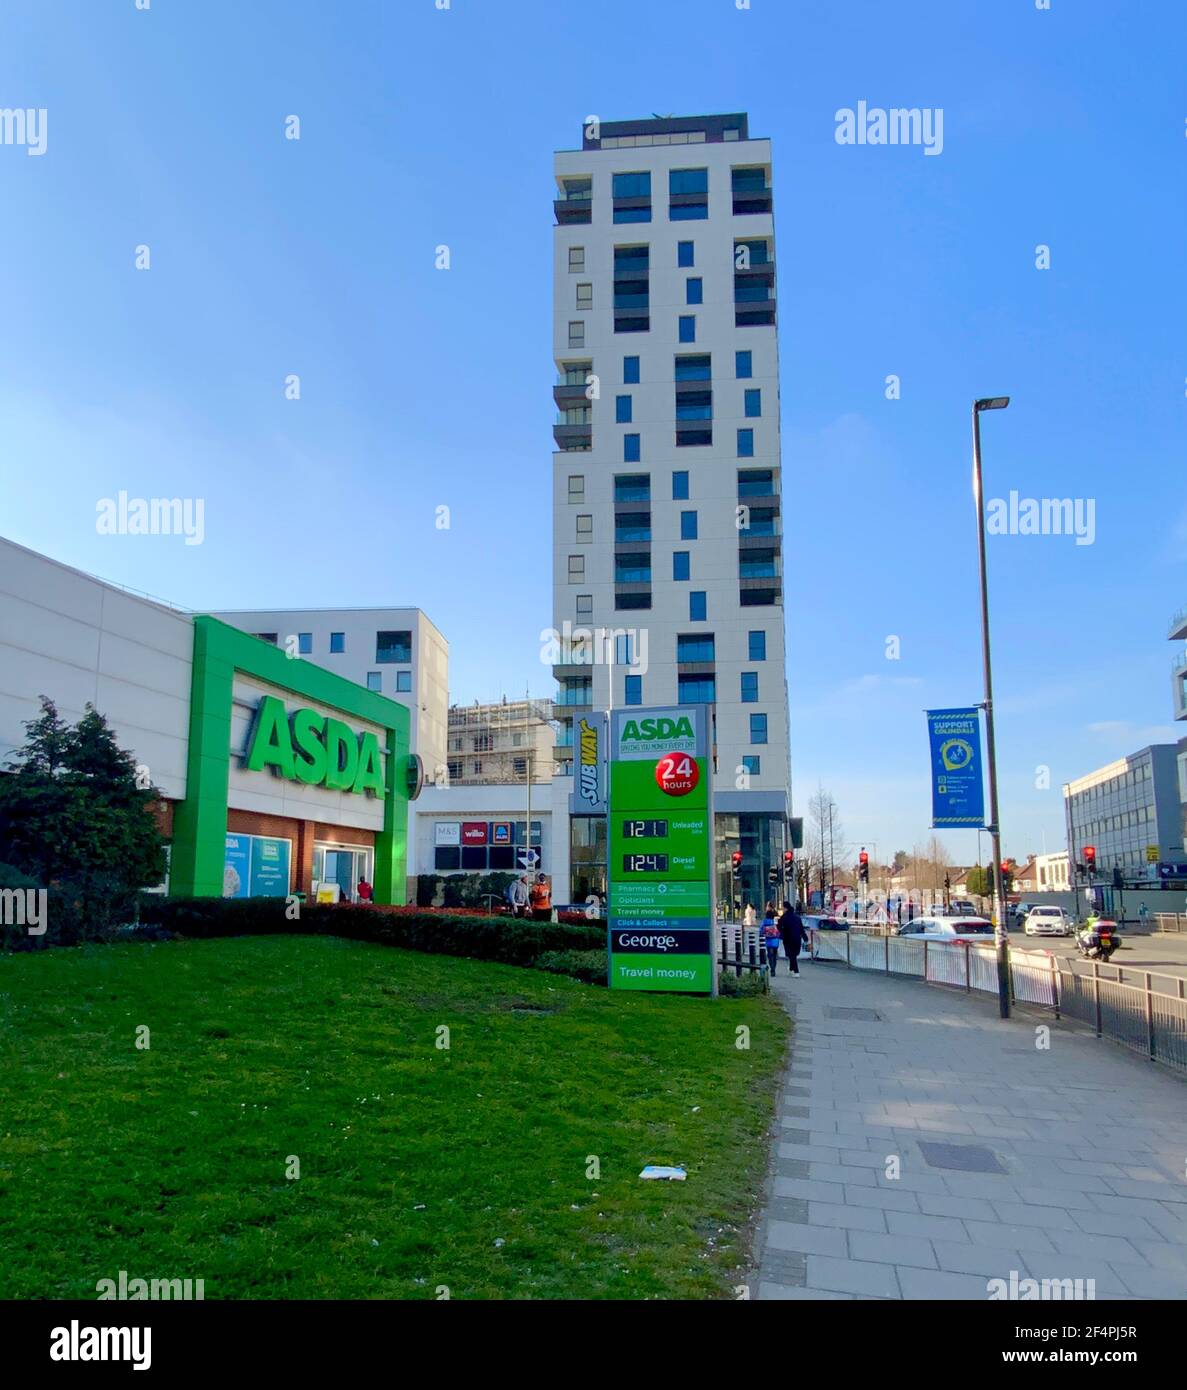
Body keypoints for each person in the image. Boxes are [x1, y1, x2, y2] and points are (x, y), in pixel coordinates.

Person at [778, 900, 807, 977]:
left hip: (787, 938)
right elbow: (801, 929)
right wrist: (805, 938)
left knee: (792, 955)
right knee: (793, 955)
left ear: (785, 908)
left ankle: (796, 971)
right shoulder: (797, 918)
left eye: (783, 908)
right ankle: (791, 969)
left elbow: (779, 926)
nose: (782, 910)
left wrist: (782, 932)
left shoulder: (784, 917)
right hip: (797, 938)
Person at [762, 911, 781, 976]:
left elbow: (761, 930)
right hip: (776, 941)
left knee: (770, 955)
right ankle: (774, 968)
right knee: (774, 955)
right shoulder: (775, 921)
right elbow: (779, 930)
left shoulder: (764, 921)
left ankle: (772, 967)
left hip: (768, 941)